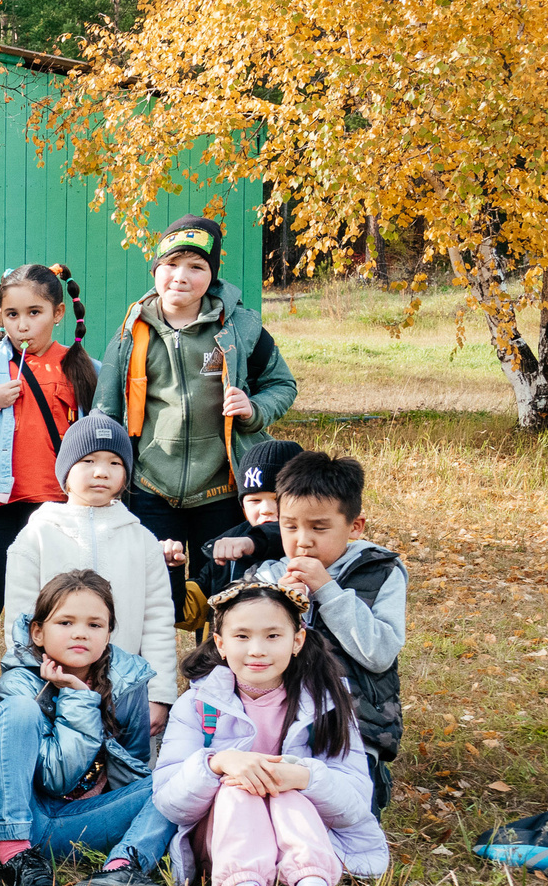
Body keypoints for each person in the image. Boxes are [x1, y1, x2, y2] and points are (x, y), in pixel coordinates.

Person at [154, 580, 384, 886]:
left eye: (273, 635)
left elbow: (354, 804)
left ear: (297, 641)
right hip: (224, 834)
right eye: (242, 636)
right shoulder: (197, 704)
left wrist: (303, 777)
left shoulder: (326, 704)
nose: (257, 650)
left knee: (288, 790)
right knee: (237, 790)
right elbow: (169, 801)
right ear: (221, 643)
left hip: (303, 831)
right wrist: (218, 763)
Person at [96, 216, 297, 604]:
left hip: (222, 490)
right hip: (151, 489)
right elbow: (104, 413)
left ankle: (222, 665)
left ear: (212, 275)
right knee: (151, 599)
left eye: (196, 267)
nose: (181, 276)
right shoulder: (129, 334)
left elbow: (282, 385)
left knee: (229, 598)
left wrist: (253, 408)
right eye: (171, 264)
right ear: (155, 269)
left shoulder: (241, 329)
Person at [0, 571, 175, 886]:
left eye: (95, 625)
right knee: (20, 710)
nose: (80, 633)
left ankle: (120, 869)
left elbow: (132, 768)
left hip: (76, 826)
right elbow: (56, 780)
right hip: (13, 821)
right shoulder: (18, 685)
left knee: (178, 777)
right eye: (65, 623)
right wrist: (76, 696)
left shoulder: (128, 682)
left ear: (108, 634)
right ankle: (15, 856)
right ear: (38, 632)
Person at [0, 262, 96, 671]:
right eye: (12, 314)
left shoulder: (80, 365)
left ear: (58, 314)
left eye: (34, 313)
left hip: (59, 505)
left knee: (59, 602)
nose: (22, 325)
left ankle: (55, 684)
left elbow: (103, 431)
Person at [0, 413, 178, 730]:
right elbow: (20, 617)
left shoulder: (142, 540)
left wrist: (159, 694)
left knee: (123, 771)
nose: (100, 472)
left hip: (123, 691)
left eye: (114, 463)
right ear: (66, 471)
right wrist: (32, 681)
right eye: (88, 460)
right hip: (52, 685)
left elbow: (158, 621)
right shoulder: (37, 535)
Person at [258, 450, 404, 814]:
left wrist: (328, 591)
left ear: (354, 526)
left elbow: (380, 651)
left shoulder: (381, 571)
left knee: (345, 816)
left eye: (318, 527)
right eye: (290, 527)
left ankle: (371, 780)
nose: (302, 541)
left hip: (354, 725)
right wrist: (283, 603)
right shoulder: (265, 577)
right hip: (280, 725)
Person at [199, 438, 301, 606]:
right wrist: (171, 568)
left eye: (277, 499)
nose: (265, 509)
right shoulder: (227, 549)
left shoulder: (312, 545)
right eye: (254, 500)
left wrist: (253, 542)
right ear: (243, 506)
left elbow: (282, 536)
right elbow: (185, 611)